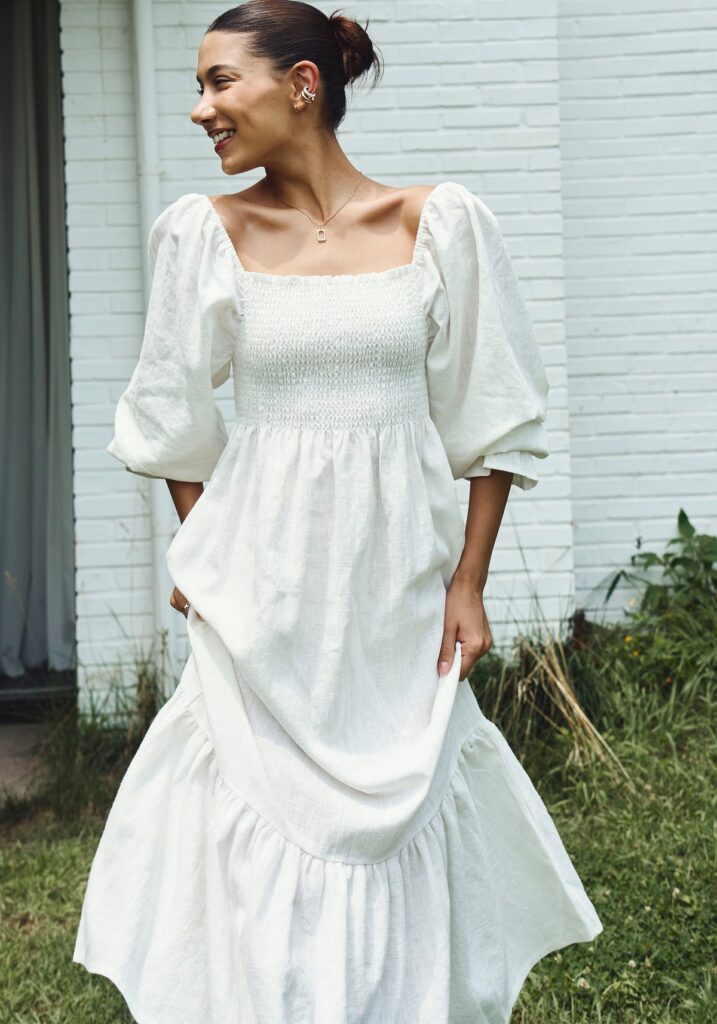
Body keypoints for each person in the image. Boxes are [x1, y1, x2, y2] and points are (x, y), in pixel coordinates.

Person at [73, 2, 603, 1021]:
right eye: (200, 86)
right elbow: (174, 418)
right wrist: (204, 549)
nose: (200, 110)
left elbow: (494, 414)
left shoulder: (436, 223)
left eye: (221, 82)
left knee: (402, 814)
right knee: (260, 816)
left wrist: (469, 581)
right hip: (262, 587)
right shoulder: (207, 233)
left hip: (399, 581)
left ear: (302, 86)